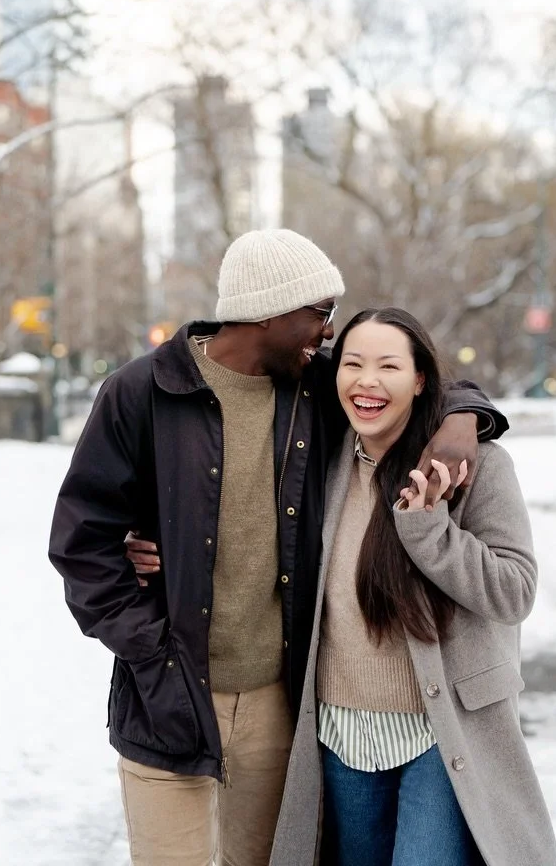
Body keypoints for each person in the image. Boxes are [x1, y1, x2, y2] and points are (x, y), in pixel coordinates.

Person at [47, 230, 507, 866]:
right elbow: (81, 544)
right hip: (165, 695)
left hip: (279, 706)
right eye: (320, 314)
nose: (329, 332)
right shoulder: (141, 392)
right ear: (270, 312)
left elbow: (416, 380)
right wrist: (152, 652)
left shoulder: (314, 390)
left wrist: (463, 423)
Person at [269, 307, 556, 866]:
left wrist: (429, 530)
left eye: (388, 366)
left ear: (421, 378)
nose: (367, 381)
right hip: (340, 732)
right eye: (352, 364)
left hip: (441, 730)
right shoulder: (323, 465)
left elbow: (514, 591)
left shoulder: (476, 469)